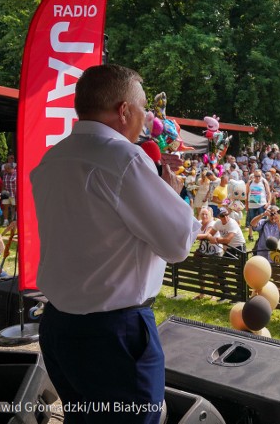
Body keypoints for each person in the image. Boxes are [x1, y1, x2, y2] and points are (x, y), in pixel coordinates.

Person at [32, 64, 199, 423]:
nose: (147, 119)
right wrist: (173, 196)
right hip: (115, 336)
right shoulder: (124, 158)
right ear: (124, 110)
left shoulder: (52, 158)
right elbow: (178, 243)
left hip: (60, 327)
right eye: (143, 110)